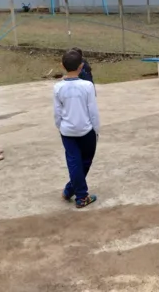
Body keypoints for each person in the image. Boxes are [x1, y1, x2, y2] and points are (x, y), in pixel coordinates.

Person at [54, 50, 101, 208]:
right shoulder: (87, 86)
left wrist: (60, 126)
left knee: (74, 162)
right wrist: (96, 129)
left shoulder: (58, 87)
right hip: (86, 130)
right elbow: (93, 111)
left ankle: (69, 190)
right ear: (81, 66)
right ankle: (81, 196)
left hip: (67, 131)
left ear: (62, 65)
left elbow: (57, 112)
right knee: (85, 161)